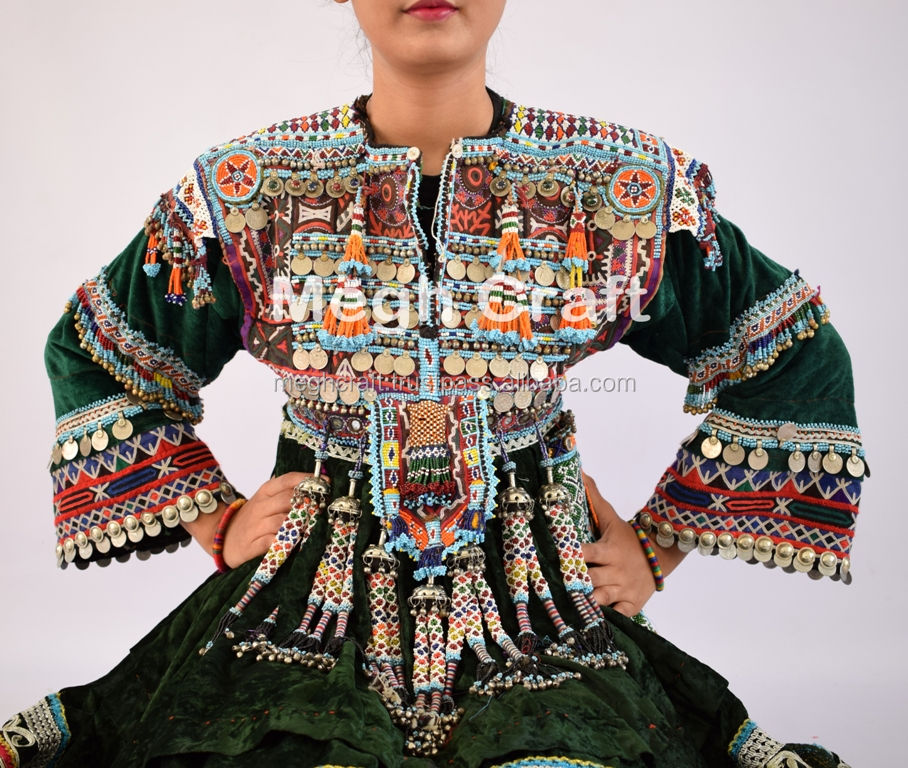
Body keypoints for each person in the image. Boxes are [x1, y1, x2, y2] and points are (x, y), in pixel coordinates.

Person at [1, 1, 863, 766]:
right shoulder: (246, 189)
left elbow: (789, 348)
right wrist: (214, 520)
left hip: (542, 611)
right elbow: (96, 351)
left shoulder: (619, 185)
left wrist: (656, 549)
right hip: (300, 607)